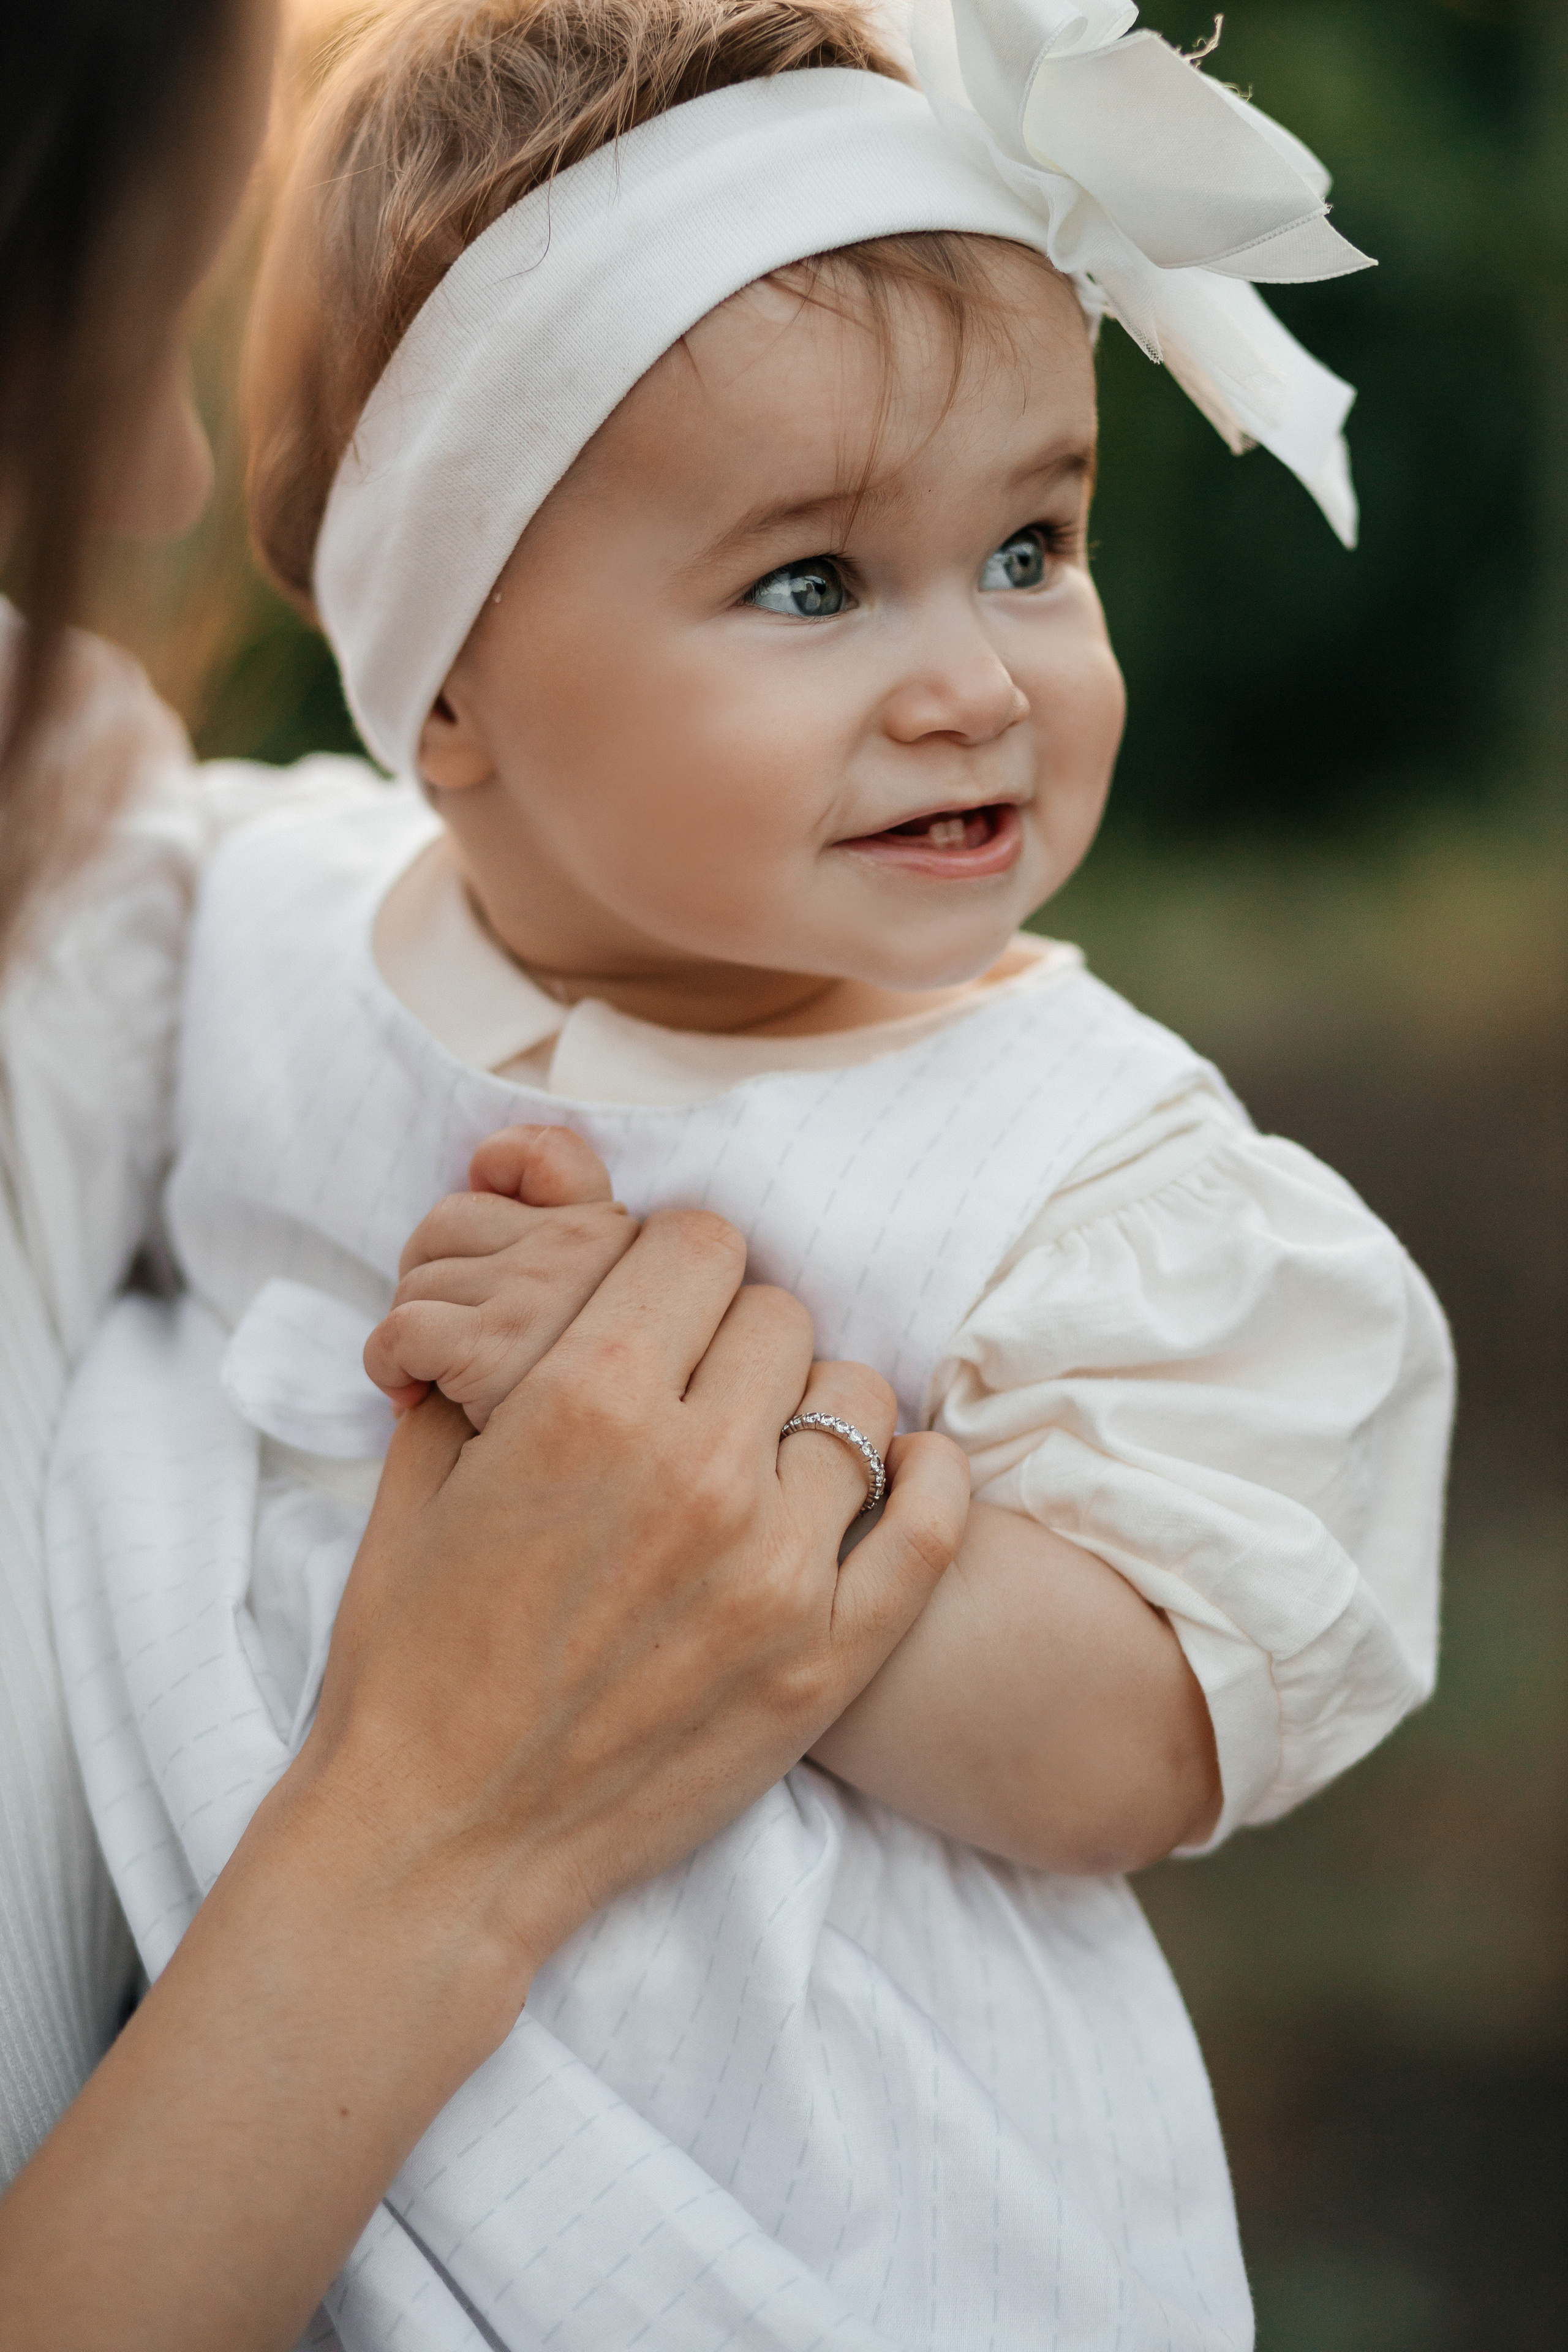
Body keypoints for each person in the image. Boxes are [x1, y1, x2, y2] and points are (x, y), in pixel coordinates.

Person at [43, 0, 1455, 2343]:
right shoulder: (265, 928)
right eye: (818, 585)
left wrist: (716, 1491)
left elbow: (1141, 1732)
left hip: (834, 2202)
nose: (979, 682)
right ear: (452, 683)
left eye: (1032, 544)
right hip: (281, 2139)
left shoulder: (1079, 1174)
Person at [0, 4, 972, 2345]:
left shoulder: (83, 862)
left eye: (1041, 544)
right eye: (109, 319)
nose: (152, 473)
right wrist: (442, 1825)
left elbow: (408, 924)